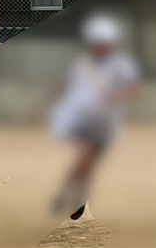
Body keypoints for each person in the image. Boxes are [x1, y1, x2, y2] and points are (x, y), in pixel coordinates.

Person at [49, 13, 141, 219]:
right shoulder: (82, 64)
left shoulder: (122, 65)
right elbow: (68, 86)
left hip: (106, 123)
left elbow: (135, 90)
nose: (100, 47)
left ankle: (66, 192)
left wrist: (118, 95)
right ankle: (78, 200)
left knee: (87, 162)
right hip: (83, 119)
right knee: (86, 154)